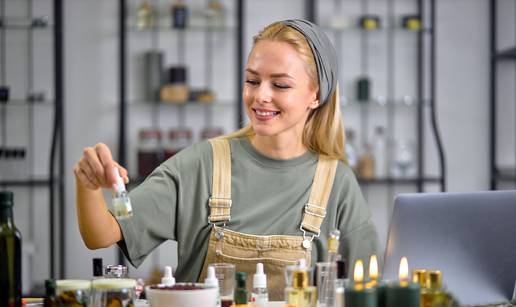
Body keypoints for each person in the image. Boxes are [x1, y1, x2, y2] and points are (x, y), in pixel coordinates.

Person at [74, 19, 382, 300]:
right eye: (252, 81)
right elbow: (100, 234)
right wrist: (87, 185)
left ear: (316, 94)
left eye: (280, 85)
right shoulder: (202, 164)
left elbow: (369, 287)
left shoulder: (336, 183)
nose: (260, 95)